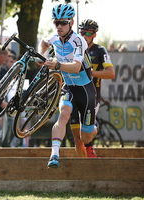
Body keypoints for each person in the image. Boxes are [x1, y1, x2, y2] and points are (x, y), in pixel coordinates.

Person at [37, 4, 97, 168]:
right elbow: (43, 43)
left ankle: (94, 127)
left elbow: (76, 67)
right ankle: (54, 155)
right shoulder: (55, 37)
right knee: (63, 114)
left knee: (86, 138)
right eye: (56, 23)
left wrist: (56, 65)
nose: (59, 26)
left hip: (86, 90)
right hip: (68, 86)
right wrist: (41, 55)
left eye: (63, 23)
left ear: (71, 22)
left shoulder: (78, 40)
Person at [70, 19, 115, 158]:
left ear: (94, 34)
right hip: (74, 94)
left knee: (85, 136)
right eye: (82, 32)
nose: (84, 35)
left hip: (92, 96)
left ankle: (92, 136)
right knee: (77, 138)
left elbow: (111, 73)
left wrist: (89, 72)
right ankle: (84, 170)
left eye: (88, 33)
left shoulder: (100, 50)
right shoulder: (73, 49)